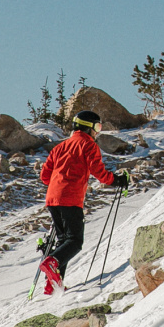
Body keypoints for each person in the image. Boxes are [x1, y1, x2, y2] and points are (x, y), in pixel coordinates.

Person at [36, 110, 128, 292]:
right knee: (74, 241)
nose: (98, 131)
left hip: (53, 199)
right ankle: (52, 263)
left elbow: (44, 176)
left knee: (63, 241)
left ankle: (52, 285)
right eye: (97, 127)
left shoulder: (60, 147)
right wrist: (116, 180)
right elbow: (99, 172)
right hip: (70, 198)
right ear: (89, 127)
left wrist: (59, 181)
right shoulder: (88, 145)